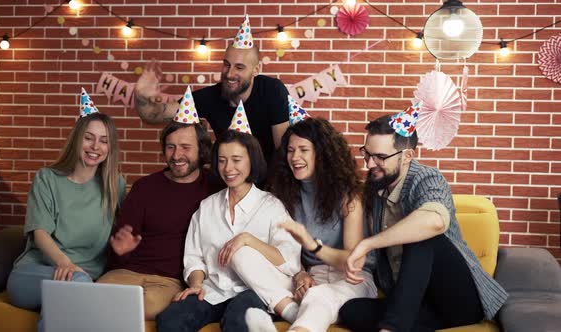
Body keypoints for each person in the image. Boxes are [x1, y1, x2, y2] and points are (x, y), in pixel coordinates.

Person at [338, 110, 508, 331]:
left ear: (407, 156)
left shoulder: (427, 178)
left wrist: (368, 243)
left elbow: (434, 221)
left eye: (380, 157)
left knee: (422, 237)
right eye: (366, 154)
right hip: (414, 303)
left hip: (458, 300)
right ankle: (401, 322)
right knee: (351, 311)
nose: (370, 164)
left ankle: (392, 328)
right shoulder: (374, 190)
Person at [155, 129, 301, 332]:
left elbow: (289, 261)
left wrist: (249, 240)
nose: (228, 168)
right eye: (222, 160)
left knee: (237, 321)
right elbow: (194, 257)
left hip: (255, 291)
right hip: (214, 290)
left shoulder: (271, 206)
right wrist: (196, 284)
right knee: (171, 319)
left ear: (252, 161)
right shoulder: (207, 207)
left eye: (236, 159)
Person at [245, 113, 377, 332]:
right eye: (290, 150)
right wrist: (300, 274)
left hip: (353, 280)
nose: (295, 157)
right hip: (309, 277)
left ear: (322, 154)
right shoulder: (285, 194)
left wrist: (312, 245)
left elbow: (351, 262)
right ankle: (296, 313)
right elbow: (285, 252)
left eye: (304, 150)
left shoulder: (349, 197)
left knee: (320, 295)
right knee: (244, 255)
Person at [6, 89, 126, 330]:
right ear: (76, 139)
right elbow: (40, 233)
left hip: (84, 280)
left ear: (110, 147)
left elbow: (119, 234)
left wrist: (122, 246)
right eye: (88, 137)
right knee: (78, 290)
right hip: (36, 273)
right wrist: (66, 265)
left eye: (104, 140)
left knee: (76, 296)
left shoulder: (116, 185)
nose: (95, 146)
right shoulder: (47, 179)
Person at [98, 87, 220, 319]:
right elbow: (119, 250)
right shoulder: (145, 187)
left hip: (168, 282)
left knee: (133, 310)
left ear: (202, 150)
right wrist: (119, 250)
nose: (176, 155)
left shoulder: (215, 189)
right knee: (89, 301)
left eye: (185, 147)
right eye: (170, 147)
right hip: (125, 273)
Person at [133, 15, 289, 161]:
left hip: (270, 183)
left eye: (239, 67)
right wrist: (141, 95)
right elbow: (154, 115)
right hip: (229, 179)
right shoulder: (211, 97)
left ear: (256, 69)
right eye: (226, 65)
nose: (230, 73)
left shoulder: (272, 91)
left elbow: (283, 151)